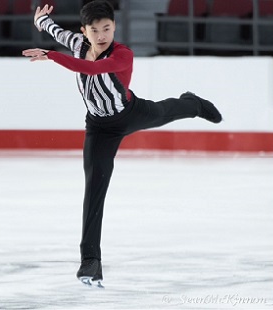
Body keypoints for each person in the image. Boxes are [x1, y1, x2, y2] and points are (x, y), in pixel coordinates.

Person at [22, 0, 222, 286]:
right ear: (85, 31)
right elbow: (56, 31)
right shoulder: (77, 43)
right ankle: (90, 261)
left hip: (128, 114)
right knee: (94, 188)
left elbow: (90, 70)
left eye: (107, 28)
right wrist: (40, 21)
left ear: (114, 27)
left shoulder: (123, 54)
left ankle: (193, 104)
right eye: (95, 30)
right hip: (98, 128)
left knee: (165, 112)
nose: (102, 35)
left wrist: (51, 56)